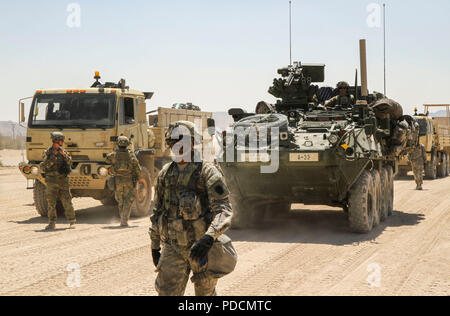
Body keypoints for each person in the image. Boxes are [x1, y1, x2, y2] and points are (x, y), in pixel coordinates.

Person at [150, 121, 234, 296]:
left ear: (191, 142)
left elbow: (223, 210)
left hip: (202, 248)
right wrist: (155, 245)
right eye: (172, 140)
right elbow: (157, 212)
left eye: (181, 139)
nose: (176, 144)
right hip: (173, 248)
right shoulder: (165, 174)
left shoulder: (207, 172)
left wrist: (209, 238)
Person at [40, 132, 76, 230]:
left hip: (63, 180)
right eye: (61, 141)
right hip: (51, 181)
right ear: (56, 141)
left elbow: (70, 163)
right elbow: (44, 166)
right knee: (51, 202)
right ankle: (52, 222)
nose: (62, 142)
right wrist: (53, 157)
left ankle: (72, 221)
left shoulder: (64, 152)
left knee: (67, 201)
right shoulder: (47, 152)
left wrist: (64, 156)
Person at [106, 136, 142, 227]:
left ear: (118, 144)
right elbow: (138, 169)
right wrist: (137, 178)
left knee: (120, 200)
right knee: (128, 200)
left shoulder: (113, 155)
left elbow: (107, 159)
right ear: (127, 145)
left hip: (118, 180)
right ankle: (124, 220)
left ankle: (123, 218)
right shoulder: (131, 155)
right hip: (129, 180)